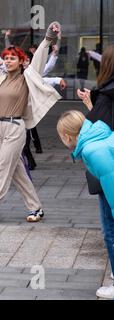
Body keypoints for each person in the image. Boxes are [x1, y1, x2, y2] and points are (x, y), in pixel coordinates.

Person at [0, 18, 61, 225]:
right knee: (16, 171)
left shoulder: (26, 77)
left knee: (3, 168)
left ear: (21, 61)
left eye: (13, 58)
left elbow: (39, 59)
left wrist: (48, 38)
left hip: (16, 127)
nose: (8, 61)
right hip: (0, 128)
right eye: (6, 58)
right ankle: (36, 207)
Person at [57, 110, 114, 299]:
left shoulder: (92, 150)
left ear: (67, 136)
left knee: (110, 233)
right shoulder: (95, 135)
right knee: (109, 233)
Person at [76, 44, 114, 299]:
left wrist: (91, 107)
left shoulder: (108, 95)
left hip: (108, 168)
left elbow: (97, 129)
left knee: (110, 226)